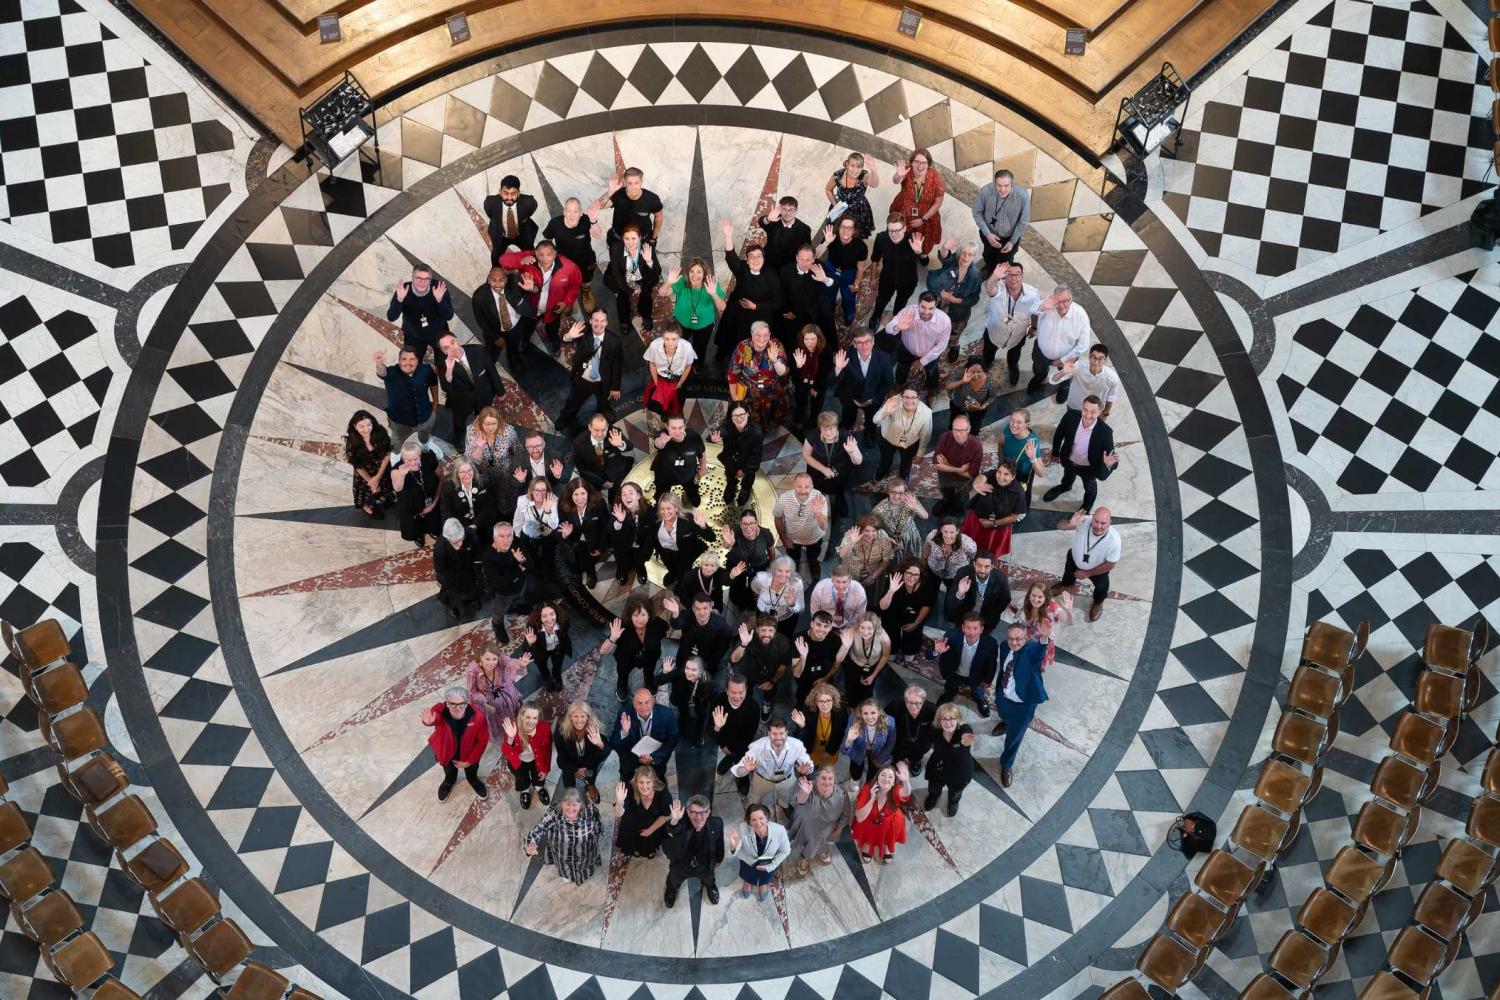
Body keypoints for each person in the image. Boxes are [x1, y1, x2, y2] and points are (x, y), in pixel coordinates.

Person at [716, 218, 782, 365]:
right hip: (738, 313)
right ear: (746, 259)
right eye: (751, 256)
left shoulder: (771, 275)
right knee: (729, 340)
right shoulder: (743, 269)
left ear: (764, 259)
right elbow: (731, 258)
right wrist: (728, 236)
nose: (755, 259)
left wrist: (756, 306)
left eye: (759, 256)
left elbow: (777, 302)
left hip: (760, 316)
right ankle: (726, 361)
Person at [499, 241, 584, 351]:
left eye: (549, 254)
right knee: (528, 327)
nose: (545, 259)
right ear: (535, 253)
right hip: (531, 307)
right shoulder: (529, 258)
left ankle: (554, 340)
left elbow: (575, 285)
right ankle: (524, 341)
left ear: (555, 254)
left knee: (553, 327)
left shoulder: (569, 267)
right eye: (540, 254)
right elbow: (503, 260)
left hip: (553, 309)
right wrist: (520, 261)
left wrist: (566, 301)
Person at [1043, 396, 1119, 518]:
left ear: (1099, 412)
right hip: (1069, 460)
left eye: (1093, 412)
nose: (1088, 415)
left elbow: (1112, 462)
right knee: (1067, 475)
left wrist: (1107, 464)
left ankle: (1087, 504)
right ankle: (1065, 486)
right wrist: (1055, 453)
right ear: (1082, 408)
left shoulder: (1105, 433)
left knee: (1089, 487)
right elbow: (1059, 434)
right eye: (1085, 410)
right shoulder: (1070, 416)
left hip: (1089, 468)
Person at [992, 623, 1048, 786]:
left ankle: (1006, 764)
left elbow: (1039, 651)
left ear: (1026, 638)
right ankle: (1006, 722)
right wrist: (999, 692)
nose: (1014, 643)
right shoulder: (1004, 647)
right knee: (1003, 715)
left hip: (1023, 706)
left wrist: (1044, 638)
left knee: (1014, 737)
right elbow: (1003, 670)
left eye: (1018, 639)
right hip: (1003, 696)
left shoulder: (1030, 652)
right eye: (1011, 639)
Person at [731, 715, 815, 815]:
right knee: (755, 798)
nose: (778, 737)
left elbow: (808, 764)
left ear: (787, 733)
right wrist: (745, 769)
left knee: (785, 796)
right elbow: (738, 769)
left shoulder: (796, 745)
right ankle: (754, 810)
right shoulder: (758, 746)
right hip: (762, 780)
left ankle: (784, 805)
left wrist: (806, 771)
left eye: (781, 733)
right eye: (775, 734)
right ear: (769, 733)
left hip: (786, 779)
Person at [556, 311, 623, 434]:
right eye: (596, 320)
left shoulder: (615, 341)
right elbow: (565, 341)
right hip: (583, 378)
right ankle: (565, 417)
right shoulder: (583, 331)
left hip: (602, 381)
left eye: (602, 321)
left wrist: (615, 387)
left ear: (606, 322)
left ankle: (605, 410)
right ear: (590, 321)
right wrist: (569, 336)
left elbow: (617, 365)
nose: (599, 324)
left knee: (603, 401)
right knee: (573, 401)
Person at [435, 330, 504, 448]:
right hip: (461, 400)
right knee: (459, 421)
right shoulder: (443, 363)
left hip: (484, 394)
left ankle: (482, 431)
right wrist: (449, 371)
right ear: (442, 351)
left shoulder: (479, 351)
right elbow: (446, 388)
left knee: (483, 414)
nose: (452, 348)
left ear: (458, 340)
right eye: (446, 348)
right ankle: (459, 437)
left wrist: (500, 391)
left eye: (453, 342)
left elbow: (492, 371)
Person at [1049, 343, 1120, 456]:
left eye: (1100, 359)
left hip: (1093, 412)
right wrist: (1063, 371)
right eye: (1093, 357)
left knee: (1084, 434)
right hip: (1074, 407)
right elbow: (1053, 380)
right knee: (1064, 430)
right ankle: (1058, 450)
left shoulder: (1112, 378)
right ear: (1089, 357)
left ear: (1105, 360)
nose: (1096, 362)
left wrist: (1105, 414)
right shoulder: (1078, 366)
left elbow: (1111, 398)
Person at [1054, 506, 1121, 622]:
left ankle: (1098, 603)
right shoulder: (1084, 521)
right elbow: (1059, 526)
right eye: (1096, 521)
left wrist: (1088, 573)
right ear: (1092, 517)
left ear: (1110, 522)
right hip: (1074, 559)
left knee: (1102, 586)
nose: (1098, 526)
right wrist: (1070, 523)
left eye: (1103, 523)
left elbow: (1111, 564)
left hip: (1097, 568)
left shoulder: (1114, 540)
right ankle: (1065, 585)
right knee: (1068, 574)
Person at [523, 788, 604, 885]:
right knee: (566, 873)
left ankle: (582, 873)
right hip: (563, 858)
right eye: (567, 804)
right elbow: (538, 830)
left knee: (586, 868)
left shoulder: (591, 812)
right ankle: (567, 876)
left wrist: (599, 835)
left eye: (575, 805)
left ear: (581, 805)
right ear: (561, 803)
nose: (571, 809)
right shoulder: (554, 814)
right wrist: (529, 845)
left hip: (586, 855)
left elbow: (599, 829)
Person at [421, 688, 489, 801]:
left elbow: (482, 741)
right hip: (447, 753)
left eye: (461, 704)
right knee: (449, 772)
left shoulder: (478, 716)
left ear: (467, 703)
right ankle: (448, 782)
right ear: (446, 703)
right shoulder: (440, 710)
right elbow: (434, 717)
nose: (457, 708)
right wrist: (428, 722)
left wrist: (469, 761)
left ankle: (473, 780)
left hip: (469, 754)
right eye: (452, 704)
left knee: (472, 771)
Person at [881, 291, 951, 401]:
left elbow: (942, 345)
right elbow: (889, 328)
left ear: (935, 307)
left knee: (932, 372)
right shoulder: (908, 312)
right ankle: (898, 386)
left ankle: (931, 391)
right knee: (901, 369)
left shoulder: (944, 321)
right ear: (918, 304)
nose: (926, 312)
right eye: (923, 307)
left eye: (931, 308)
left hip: (930, 354)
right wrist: (898, 327)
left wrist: (922, 361)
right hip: (907, 349)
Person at [1026, 284, 1092, 400]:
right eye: (1058, 301)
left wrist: (1063, 360)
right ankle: (1039, 378)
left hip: (1067, 357)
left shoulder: (1080, 315)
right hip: (1041, 352)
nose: (1061, 306)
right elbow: (1031, 310)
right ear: (1053, 298)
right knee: (1038, 369)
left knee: (1066, 375)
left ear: (1071, 299)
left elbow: (1083, 344)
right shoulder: (1048, 304)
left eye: (1065, 301)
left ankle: (1064, 387)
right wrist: (1042, 307)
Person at [830, 328, 895, 445]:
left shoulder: (884, 358)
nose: (864, 346)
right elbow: (832, 382)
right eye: (860, 342)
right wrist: (838, 369)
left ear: (873, 341)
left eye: (868, 341)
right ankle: (846, 429)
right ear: (854, 344)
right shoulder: (845, 355)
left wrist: (874, 399)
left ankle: (870, 434)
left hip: (871, 398)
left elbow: (888, 382)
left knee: (871, 420)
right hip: (850, 397)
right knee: (847, 416)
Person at [982, 261, 1042, 385]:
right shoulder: (999, 287)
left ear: (1022, 276)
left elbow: (1036, 312)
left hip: (1017, 335)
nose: (1013, 278)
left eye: (1017, 274)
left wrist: (1034, 327)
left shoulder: (1032, 294)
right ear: (1005, 276)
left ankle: (1013, 368)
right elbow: (989, 289)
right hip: (994, 332)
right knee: (988, 353)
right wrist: (994, 275)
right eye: (1009, 274)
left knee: (1014, 356)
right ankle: (985, 365)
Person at [543, 197, 604, 316]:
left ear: (581, 213)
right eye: (568, 211)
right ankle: (567, 297)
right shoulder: (555, 223)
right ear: (564, 211)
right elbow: (547, 240)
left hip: (585, 260)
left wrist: (593, 221)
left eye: (575, 211)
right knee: (566, 282)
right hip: (565, 263)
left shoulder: (586, 220)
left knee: (586, 279)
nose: (571, 215)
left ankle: (585, 292)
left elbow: (598, 235)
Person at [803, 411, 863, 529]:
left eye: (831, 428)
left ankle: (840, 504)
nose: (828, 432)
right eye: (824, 429)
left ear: (836, 427)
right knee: (817, 491)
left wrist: (852, 452)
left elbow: (858, 461)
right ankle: (817, 508)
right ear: (819, 428)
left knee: (839, 491)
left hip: (840, 472)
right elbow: (806, 456)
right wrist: (823, 469)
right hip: (818, 472)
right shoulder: (812, 436)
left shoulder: (846, 436)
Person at [471, 264, 535, 375]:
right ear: (488, 280)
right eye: (493, 280)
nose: (497, 284)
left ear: (506, 280)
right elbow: (481, 320)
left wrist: (532, 289)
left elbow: (529, 292)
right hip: (495, 330)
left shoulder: (515, 282)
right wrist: (495, 337)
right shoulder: (479, 296)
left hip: (515, 325)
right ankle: (488, 367)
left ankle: (514, 360)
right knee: (491, 352)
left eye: (501, 280)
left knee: (514, 347)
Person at [726, 321, 792, 429]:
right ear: (752, 335)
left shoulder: (776, 345)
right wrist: (735, 397)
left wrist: (775, 361)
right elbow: (733, 372)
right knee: (750, 420)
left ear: (770, 335)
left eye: (765, 335)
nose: (762, 339)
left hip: (772, 391)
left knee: (771, 417)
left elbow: (782, 372)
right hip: (749, 393)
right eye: (758, 335)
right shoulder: (742, 347)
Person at [662, 794, 725, 907]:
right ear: (688, 812)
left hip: (704, 864)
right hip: (682, 863)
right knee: (674, 878)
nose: (698, 817)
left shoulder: (717, 824)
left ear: (708, 812)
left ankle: (710, 886)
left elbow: (720, 844)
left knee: (709, 878)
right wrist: (674, 820)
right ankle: (672, 889)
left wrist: (719, 860)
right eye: (694, 812)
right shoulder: (680, 823)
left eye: (703, 812)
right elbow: (672, 836)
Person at [787, 766, 852, 874]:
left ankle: (822, 849)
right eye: (823, 778)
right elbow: (799, 801)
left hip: (825, 828)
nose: (827, 782)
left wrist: (839, 829)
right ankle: (805, 858)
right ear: (816, 778)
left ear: (834, 779)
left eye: (830, 778)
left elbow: (846, 813)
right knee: (805, 843)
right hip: (805, 826)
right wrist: (805, 793)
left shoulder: (841, 794)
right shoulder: (808, 787)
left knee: (821, 841)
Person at [604, 600, 671, 702]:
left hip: (650, 655)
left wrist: (674, 614)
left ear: (649, 614)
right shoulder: (622, 626)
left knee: (649, 671)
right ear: (630, 615)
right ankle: (622, 682)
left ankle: (649, 682)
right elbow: (603, 651)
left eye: (643, 614)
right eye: (636, 615)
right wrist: (612, 638)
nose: (640, 619)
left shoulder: (659, 624)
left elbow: (665, 630)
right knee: (623, 670)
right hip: (626, 657)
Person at [927, 240, 983, 360]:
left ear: (974, 257)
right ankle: (935, 343)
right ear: (959, 253)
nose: (965, 257)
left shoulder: (976, 276)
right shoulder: (953, 261)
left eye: (970, 254)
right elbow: (944, 257)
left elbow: (974, 298)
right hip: (941, 304)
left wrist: (955, 300)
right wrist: (944, 248)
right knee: (937, 326)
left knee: (954, 332)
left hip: (959, 310)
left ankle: (953, 346)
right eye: (963, 253)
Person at [934, 613, 998, 717]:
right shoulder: (951, 635)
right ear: (963, 627)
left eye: (975, 628)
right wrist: (936, 651)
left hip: (976, 676)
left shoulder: (991, 643)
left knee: (977, 691)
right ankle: (948, 695)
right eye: (968, 628)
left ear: (981, 629)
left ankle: (980, 700)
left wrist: (988, 680)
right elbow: (929, 653)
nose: (971, 632)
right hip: (955, 673)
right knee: (950, 687)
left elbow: (992, 664)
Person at [888, 148, 944, 264]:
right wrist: (898, 175)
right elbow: (895, 181)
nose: (920, 166)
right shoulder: (907, 170)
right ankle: (905, 250)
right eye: (917, 162)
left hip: (926, 217)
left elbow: (938, 202)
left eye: (924, 163)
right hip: (904, 209)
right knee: (903, 234)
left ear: (928, 164)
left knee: (926, 239)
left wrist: (923, 219)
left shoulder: (936, 179)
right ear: (912, 162)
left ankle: (923, 255)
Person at [731, 614, 796, 715]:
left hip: (771, 674)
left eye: (770, 631)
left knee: (770, 692)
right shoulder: (748, 637)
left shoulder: (783, 642)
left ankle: (767, 704)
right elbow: (734, 659)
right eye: (763, 630)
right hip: (748, 672)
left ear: (775, 631)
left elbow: (783, 665)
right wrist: (743, 644)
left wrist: (773, 682)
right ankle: (744, 703)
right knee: (746, 690)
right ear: (757, 630)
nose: (767, 634)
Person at [611, 687, 679, 783]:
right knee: (628, 781)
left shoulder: (667, 714)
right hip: (631, 762)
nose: (643, 707)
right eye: (639, 703)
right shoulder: (624, 714)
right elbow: (614, 743)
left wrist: (653, 757)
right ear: (633, 703)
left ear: (653, 701)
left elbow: (673, 740)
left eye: (647, 702)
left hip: (656, 761)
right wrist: (624, 732)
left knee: (657, 779)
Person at [374, 347, 438, 449]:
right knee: (399, 439)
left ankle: (425, 445)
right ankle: (397, 453)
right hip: (399, 421)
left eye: (411, 359)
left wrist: (435, 403)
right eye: (404, 359)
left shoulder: (426, 370)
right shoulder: (392, 372)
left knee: (425, 435)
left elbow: (433, 383)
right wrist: (379, 363)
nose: (408, 363)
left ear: (417, 361)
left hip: (425, 417)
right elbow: (382, 372)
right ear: (399, 361)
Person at [972, 169, 1031, 277]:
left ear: (1012, 183)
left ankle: (1002, 276)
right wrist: (988, 234)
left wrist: (1012, 241)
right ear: (995, 183)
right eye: (999, 185)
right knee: (988, 255)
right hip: (989, 233)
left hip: (1009, 237)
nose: (1002, 189)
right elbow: (976, 212)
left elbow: (1024, 220)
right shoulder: (985, 191)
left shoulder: (1022, 196)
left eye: (1006, 186)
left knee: (1006, 260)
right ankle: (990, 269)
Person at [604, 224, 661, 335]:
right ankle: (624, 320)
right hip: (625, 279)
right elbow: (616, 273)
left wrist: (649, 262)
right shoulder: (616, 249)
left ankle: (646, 315)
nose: (630, 242)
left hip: (643, 279)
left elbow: (655, 274)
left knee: (646, 296)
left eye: (634, 238)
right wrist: (630, 290)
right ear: (622, 239)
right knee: (622, 297)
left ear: (639, 238)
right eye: (627, 239)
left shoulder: (647, 247)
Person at [386, 264, 452, 358]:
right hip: (413, 336)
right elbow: (391, 317)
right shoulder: (403, 290)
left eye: (426, 279)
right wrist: (399, 300)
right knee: (413, 365)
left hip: (439, 334)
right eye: (419, 278)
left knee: (444, 363)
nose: (422, 283)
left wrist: (440, 301)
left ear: (430, 279)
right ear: (412, 278)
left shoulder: (439, 288)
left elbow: (449, 316)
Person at [664, 590, 736, 676]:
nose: (701, 613)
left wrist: (707, 666)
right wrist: (675, 613)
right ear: (693, 609)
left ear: (711, 607)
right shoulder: (688, 615)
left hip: (706, 662)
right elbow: (677, 625)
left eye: (705, 608)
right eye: (698, 609)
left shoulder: (722, 627)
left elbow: (721, 650)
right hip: (685, 657)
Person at [665, 259, 725, 362]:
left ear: (704, 273)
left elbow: (722, 307)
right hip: (681, 322)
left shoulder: (711, 285)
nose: (694, 275)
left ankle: (698, 365)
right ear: (688, 273)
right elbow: (663, 293)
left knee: (700, 348)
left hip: (704, 326)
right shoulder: (682, 282)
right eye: (692, 271)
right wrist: (668, 283)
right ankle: (679, 361)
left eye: (699, 272)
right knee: (678, 345)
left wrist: (714, 294)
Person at [710, 674, 761, 795]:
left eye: (741, 692)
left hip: (742, 743)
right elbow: (710, 731)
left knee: (742, 758)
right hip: (724, 739)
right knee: (730, 754)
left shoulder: (753, 707)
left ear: (746, 690)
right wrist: (718, 728)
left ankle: (743, 778)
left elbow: (748, 735)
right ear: (727, 690)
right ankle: (729, 759)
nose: (737, 697)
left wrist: (731, 749)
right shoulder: (718, 702)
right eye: (733, 692)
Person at [466, 641, 528, 740]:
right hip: (489, 703)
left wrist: (521, 664)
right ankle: (504, 731)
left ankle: (516, 724)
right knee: (497, 720)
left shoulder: (501, 658)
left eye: (494, 659)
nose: (491, 663)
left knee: (515, 710)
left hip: (507, 692)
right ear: (481, 657)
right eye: (487, 659)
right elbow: (472, 691)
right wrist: (485, 705)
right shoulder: (472, 670)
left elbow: (510, 662)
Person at [852, 762, 912, 863]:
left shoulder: (895, 790)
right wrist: (872, 799)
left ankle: (887, 845)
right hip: (869, 821)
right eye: (883, 775)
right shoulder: (867, 788)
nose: (886, 778)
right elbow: (860, 817)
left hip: (890, 823)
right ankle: (867, 843)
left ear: (893, 782)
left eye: (890, 777)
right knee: (868, 830)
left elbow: (906, 792)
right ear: (877, 778)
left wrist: (906, 781)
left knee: (889, 834)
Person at [728, 804, 791, 900]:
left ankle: (763, 884)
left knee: (766, 875)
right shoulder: (743, 828)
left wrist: (773, 865)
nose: (758, 823)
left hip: (768, 862)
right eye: (753, 820)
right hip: (749, 860)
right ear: (749, 822)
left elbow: (785, 851)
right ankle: (748, 882)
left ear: (767, 818)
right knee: (747, 873)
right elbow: (738, 848)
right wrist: (733, 846)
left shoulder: (779, 830)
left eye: (761, 818)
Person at [1006, 581, 1074, 669]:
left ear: (1046, 597)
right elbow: (1013, 608)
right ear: (1029, 595)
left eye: (1040, 597)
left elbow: (1069, 621)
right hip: (1025, 637)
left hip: (1042, 639)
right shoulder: (1025, 602)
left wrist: (1069, 611)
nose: (1036, 599)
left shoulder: (1052, 608)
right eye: (1033, 595)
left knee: (1037, 661)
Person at [877, 559, 936, 659]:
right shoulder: (893, 580)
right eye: (908, 573)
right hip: (892, 615)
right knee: (891, 649)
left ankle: (909, 647)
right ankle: (892, 647)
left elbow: (927, 605)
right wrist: (891, 591)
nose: (911, 577)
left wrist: (916, 623)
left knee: (909, 652)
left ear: (920, 575)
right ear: (903, 572)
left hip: (913, 616)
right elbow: (882, 607)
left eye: (916, 575)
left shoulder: (926, 584)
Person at [773, 474, 829, 579]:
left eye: (807, 487)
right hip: (792, 539)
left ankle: (813, 563)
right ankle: (795, 564)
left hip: (814, 538)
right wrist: (784, 539)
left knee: (813, 556)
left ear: (812, 486)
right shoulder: (784, 499)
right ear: (794, 485)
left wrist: (817, 513)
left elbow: (824, 527)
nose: (803, 491)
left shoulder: (819, 498)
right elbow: (777, 518)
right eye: (799, 486)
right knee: (794, 557)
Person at [965, 461, 1025, 558]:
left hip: (997, 527)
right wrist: (977, 484)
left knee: (989, 550)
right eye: (999, 472)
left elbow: (1015, 516)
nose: (1001, 477)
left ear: (1013, 477)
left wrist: (993, 523)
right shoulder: (994, 474)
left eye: (1006, 474)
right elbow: (982, 477)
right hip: (977, 520)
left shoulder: (1018, 493)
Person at [923, 703, 975, 816]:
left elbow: (967, 729)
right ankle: (933, 796)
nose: (948, 722)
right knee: (933, 786)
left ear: (958, 719)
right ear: (939, 720)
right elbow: (925, 736)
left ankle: (953, 802)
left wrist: (966, 737)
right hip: (938, 767)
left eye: (951, 718)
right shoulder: (936, 732)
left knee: (956, 792)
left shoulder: (963, 731)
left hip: (960, 771)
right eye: (944, 719)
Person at [778, 249, 836, 347]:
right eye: (801, 259)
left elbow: (833, 283)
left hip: (814, 311)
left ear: (813, 259)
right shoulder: (785, 270)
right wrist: (786, 310)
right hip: (794, 312)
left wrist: (824, 279)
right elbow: (781, 293)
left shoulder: (819, 266)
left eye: (808, 260)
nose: (804, 263)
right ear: (796, 257)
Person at [512, 478, 562, 591]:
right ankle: (537, 583)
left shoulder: (554, 500)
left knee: (549, 560)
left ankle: (550, 582)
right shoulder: (522, 501)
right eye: (537, 490)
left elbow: (554, 525)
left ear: (547, 491)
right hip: (527, 536)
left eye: (543, 490)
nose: (540, 494)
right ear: (532, 491)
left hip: (546, 536)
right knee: (532, 562)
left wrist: (548, 510)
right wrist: (519, 538)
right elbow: (517, 521)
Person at [710, 402, 763, 507]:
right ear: (731, 417)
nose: (739, 418)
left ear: (747, 414)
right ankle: (731, 487)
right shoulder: (727, 426)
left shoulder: (756, 432)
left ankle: (745, 490)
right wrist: (714, 439)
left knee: (748, 479)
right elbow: (718, 431)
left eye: (742, 414)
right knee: (730, 476)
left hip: (747, 463)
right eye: (735, 415)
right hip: (731, 460)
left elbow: (756, 456)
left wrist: (743, 470)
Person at [722, 510, 776, 614]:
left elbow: (771, 549)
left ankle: (752, 605)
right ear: (740, 524)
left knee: (754, 588)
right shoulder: (735, 532)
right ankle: (739, 604)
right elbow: (727, 544)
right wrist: (728, 543)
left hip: (758, 566)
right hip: (738, 566)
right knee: (737, 587)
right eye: (745, 524)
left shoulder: (765, 534)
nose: (748, 527)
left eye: (751, 523)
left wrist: (772, 565)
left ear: (756, 522)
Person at [873, 389, 933, 483]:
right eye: (906, 397)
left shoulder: (926, 412)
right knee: (885, 459)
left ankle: (904, 475)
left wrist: (920, 452)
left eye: (913, 397)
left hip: (910, 443)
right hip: (888, 439)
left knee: (907, 462)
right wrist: (886, 412)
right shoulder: (893, 402)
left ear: (918, 398)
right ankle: (882, 471)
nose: (909, 400)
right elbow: (875, 420)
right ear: (901, 397)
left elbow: (926, 434)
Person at [944, 549, 1010, 634]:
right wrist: (960, 593)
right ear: (974, 564)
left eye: (987, 566)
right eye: (979, 565)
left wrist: (991, 616)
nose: (982, 570)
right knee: (959, 638)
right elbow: (951, 601)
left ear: (992, 566)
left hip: (987, 619)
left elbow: (1005, 600)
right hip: (963, 616)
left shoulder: (1001, 579)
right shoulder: (963, 573)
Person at [931, 412, 983, 517]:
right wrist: (960, 470)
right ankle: (946, 502)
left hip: (963, 481)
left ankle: (959, 506)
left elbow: (971, 475)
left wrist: (947, 464)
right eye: (955, 430)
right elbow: (936, 464)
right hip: (945, 476)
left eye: (962, 430)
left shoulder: (976, 446)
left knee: (961, 500)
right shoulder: (945, 437)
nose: (958, 434)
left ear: (969, 429)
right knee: (946, 493)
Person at [559, 479, 608, 590]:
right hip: (573, 541)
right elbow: (560, 526)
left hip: (592, 542)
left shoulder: (599, 504)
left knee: (589, 561)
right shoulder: (563, 505)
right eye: (575, 494)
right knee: (574, 560)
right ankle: (577, 574)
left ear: (588, 493)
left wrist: (601, 548)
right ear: (570, 495)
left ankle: (591, 575)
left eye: (583, 493)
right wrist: (565, 535)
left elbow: (605, 527)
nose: (579, 498)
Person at [652, 493, 710, 586]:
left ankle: (682, 580)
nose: (665, 512)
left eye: (669, 508)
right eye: (662, 508)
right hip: (666, 553)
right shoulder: (655, 520)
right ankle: (673, 573)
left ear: (676, 508)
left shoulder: (689, 519)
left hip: (685, 553)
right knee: (670, 566)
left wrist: (703, 526)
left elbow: (711, 538)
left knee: (684, 571)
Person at [555, 702, 609, 801]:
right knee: (568, 781)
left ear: (588, 717)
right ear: (570, 717)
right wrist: (575, 770)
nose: (579, 720)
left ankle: (590, 786)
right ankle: (570, 792)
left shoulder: (595, 731)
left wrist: (600, 744)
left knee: (590, 776)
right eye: (576, 716)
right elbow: (561, 760)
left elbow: (606, 753)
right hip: (570, 766)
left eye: (582, 716)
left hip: (588, 766)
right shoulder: (561, 733)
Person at [501, 704, 552, 809]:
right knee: (521, 777)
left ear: (539, 718)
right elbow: (505, 750)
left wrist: (545, 769)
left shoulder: (545, 728)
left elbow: (548, 750)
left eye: (535, 718)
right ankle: (525, 790)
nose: (531, 721)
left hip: (537, 760)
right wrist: (510, 738)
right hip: (519, 761)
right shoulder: (513, 727)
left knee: (539, 776)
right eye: (528, 717)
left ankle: (538, 787)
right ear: (522, 715)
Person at [651, 414, 708, 507]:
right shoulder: (663, 436)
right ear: (667, 427)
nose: (677, 432)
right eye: (673, 428)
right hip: (664, 476)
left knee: (692, 490)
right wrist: (661, 442)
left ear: (685, 426)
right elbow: (658, 443)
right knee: (661, 498)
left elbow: (702, 453)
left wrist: (703, 466)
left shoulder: (694, 437)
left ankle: (692, 494)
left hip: (688, 475)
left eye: (680, 427)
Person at [615, 769, 674, 859]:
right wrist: (619, 802)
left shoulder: (662, 791)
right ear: (636, 783)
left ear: (654, 782)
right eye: (641, 782)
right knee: (633, 846)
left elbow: (665, 815)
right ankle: (635, 849)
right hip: (632, 827)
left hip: (653, 826)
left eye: (648, 782)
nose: (645, 786)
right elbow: (618, 814)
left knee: (650, 846)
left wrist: (650, 830)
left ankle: (650, 850)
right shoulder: (630, 791)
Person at [571, 414, 633, 498]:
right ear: (589, 427)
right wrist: (601, 482)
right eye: (596, 430)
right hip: (596, 476)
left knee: (616, 496)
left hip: (616, 470)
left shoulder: (614, 432)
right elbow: (582, 468)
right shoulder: (578, 443)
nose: (600, 434)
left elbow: (630, 446)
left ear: (607, 427)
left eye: (603, 430)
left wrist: (621, 444)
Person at [345, 410, 394, 517]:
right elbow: (357, 465)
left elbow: (387, 455)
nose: (366, 429)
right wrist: (371, 481)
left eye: (369, 425)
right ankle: (367, 508)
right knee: (365, 491)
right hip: (364, 472)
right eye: (361, 426)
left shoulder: (380, 432)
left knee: (385, 484)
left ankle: (385, 497)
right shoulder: (352, 441)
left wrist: (378, 477)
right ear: (355, 426)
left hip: (381, 467)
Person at [836, 614, 892, 707]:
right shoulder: (852, 631)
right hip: (854, 662)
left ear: (875, 628)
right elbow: (839, 659)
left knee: (868, 688)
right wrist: (845, 646)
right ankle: (852, 705)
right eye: (862, 628)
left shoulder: (884, 638)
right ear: (858, 626)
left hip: (873, 665)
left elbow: (885, 656)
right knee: (851, 685)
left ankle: (866, 705)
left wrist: (873, 675)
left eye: (870, 628)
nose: (865, 632)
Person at [787, 324, 834, 431]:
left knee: (816, 405)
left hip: (818, 382)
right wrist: (798, 366)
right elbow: (793, 374)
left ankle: (812, 422)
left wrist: (815, 388)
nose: (809, 343)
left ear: (819, 338)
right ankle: (798, 418)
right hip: (801, 381)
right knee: (800, 402)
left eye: (813, 339)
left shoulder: (826, 351)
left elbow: (825, 373)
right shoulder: (797, 349)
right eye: (806, 339)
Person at [608, 482, 655, 588]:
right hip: (623, 547)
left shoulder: (650, 511)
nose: (627, 496)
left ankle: (640, 570)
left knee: (639, 562)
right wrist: (620, 522)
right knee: (623, 562)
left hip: (641, 547)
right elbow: (611, 531)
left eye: (630, 493)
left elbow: (651, 534)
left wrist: (646, 550)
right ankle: (622, 571)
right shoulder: (617, 509)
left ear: (638, 495)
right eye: (623, 494)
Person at [791, 683, 848, 770]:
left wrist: (829, 752)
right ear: (815, 702)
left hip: (830, 750)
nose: (825, 705)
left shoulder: (840, 713)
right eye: (821, 701)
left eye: (828, 700)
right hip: (812, 750)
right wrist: (802, 726)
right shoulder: (809, 712)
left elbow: (840, 734)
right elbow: (800, 737)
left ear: (833, 700)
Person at [642, 326, 696, 418]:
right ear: (662, 337)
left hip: (678, 378)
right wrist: (656, 382)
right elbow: (652, 364)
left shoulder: (687, 347)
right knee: (660, 400)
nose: (670, 343)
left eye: (674, 339)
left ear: (679, 338)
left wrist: (680, 383)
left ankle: (676, 414)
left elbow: (688, 366)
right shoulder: (655, 345)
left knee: (678, 400)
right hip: (660, 377)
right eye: (667, 339)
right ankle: (665, 414)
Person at [824, 150, 880, 239]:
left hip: (859, 211)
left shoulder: (864, 176)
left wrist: (874, 170)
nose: (855, 170)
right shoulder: (838, 175)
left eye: (859, 167)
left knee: (855, 237)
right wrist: (835, 205)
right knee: (836, 234)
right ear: (847, 165)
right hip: (840, 209)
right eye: (852, 166)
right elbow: (828, 189)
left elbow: (875, 184)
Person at [658, 655, 713, 745]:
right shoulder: (679, 674)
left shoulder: (706, 680)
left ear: (700, 671)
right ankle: (678, 733)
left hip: (697, 705)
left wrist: (701, 701)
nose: (689, 672)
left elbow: (708, 697)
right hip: (679, 702)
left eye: (694, 670)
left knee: (700, 719)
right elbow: (657, 681)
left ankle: (699, 736)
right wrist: (665, 672)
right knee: (679, 719)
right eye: (687, 668)